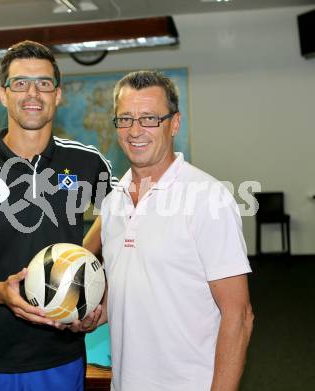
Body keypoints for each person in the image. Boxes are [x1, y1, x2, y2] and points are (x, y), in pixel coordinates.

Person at [0, 40, 116, 391]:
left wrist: (85, 260)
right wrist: (0, 292)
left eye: (44, 83)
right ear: (3, 95)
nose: (33, 93)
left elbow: (126, 214)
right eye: (20, 83)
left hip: (59, 353)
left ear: (58, 94)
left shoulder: (87, 162)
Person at [90, 70, 254, 391]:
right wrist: (92, 314)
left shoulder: (208, 198)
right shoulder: (112, 204)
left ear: (174, 124)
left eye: (150, 118)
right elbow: (128, 285)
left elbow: (239, 316)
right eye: (125, 119)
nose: (135, 130)